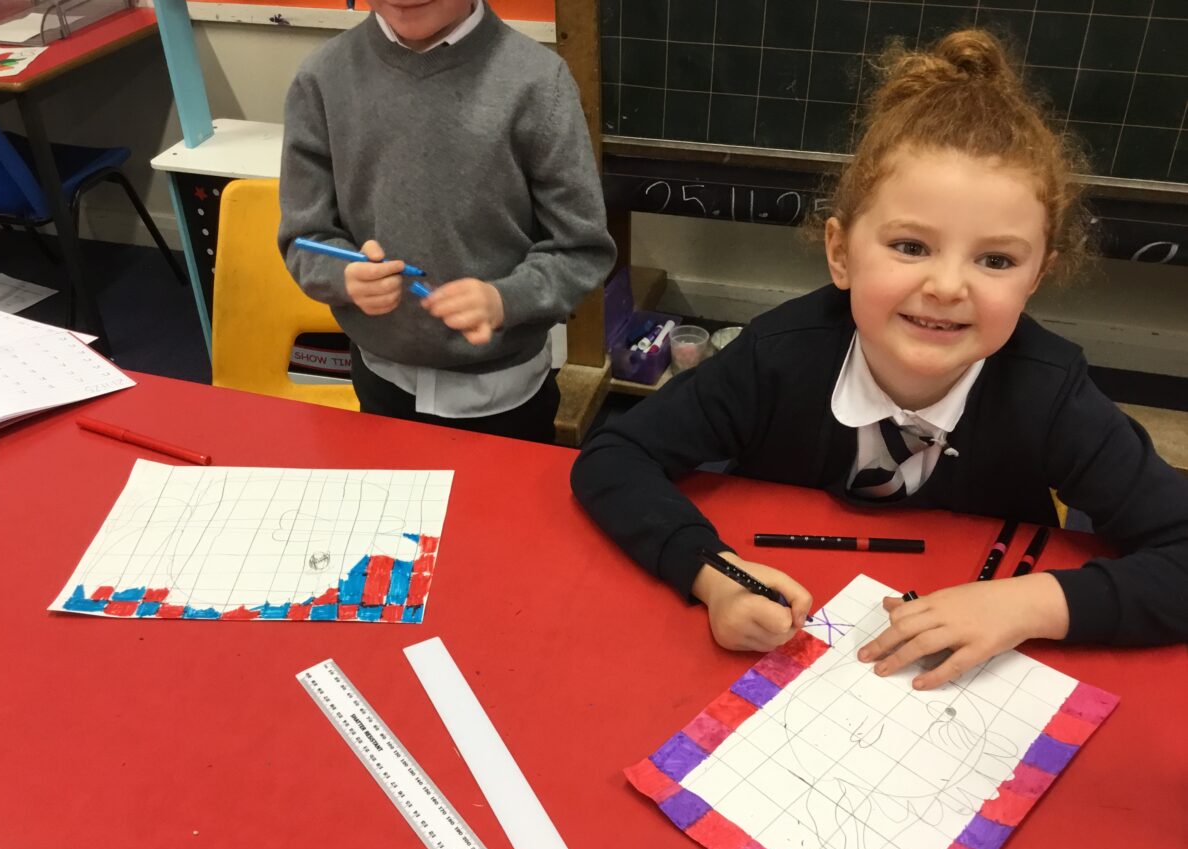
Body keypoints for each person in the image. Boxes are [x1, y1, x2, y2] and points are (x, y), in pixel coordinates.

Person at [570, 29, 1188, 690]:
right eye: (911, 246)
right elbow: (615, 455)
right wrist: (712, 573)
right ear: (841, 253)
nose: (947, 286)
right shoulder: (778, 356)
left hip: (974, 682)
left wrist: (1028, 604)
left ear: (1036, 277)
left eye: (996, 259)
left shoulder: (1051, 395)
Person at [279, 0, 615, 443]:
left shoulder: (538, 81)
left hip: (505, 395)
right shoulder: (321, 78)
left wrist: (506, 299)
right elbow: (304, 237)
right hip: (380, 380)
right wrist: (342, 274)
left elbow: (581, 248)